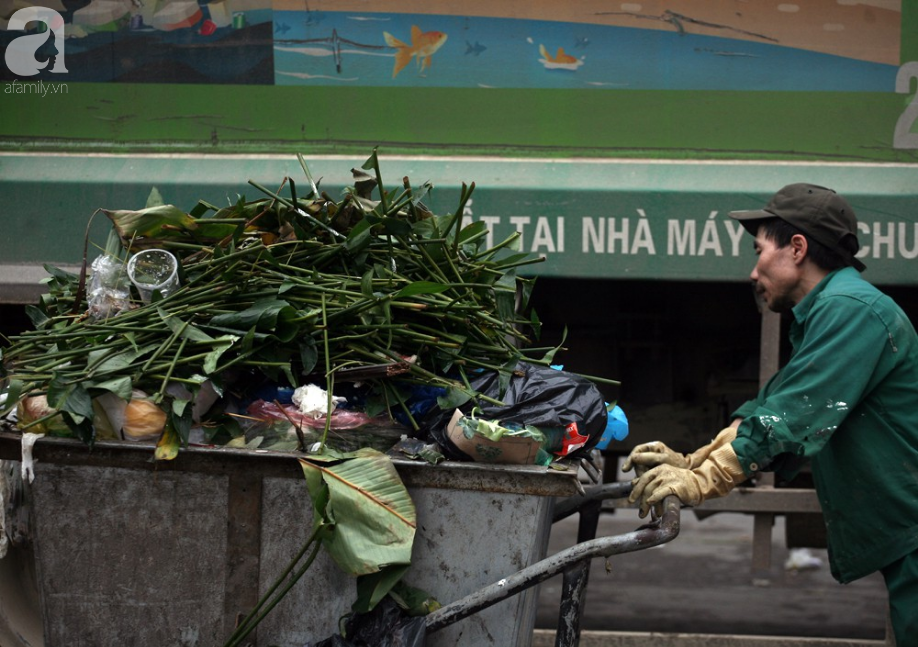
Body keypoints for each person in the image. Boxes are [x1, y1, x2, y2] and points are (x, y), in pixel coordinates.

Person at [623, 183, 918, 646]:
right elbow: (772, 403)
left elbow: (791, 417)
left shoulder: (852, 312)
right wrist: (696, 461)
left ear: (797, 248)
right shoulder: (834, 311)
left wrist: (703, 481)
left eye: (759, 250)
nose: (753, 271)